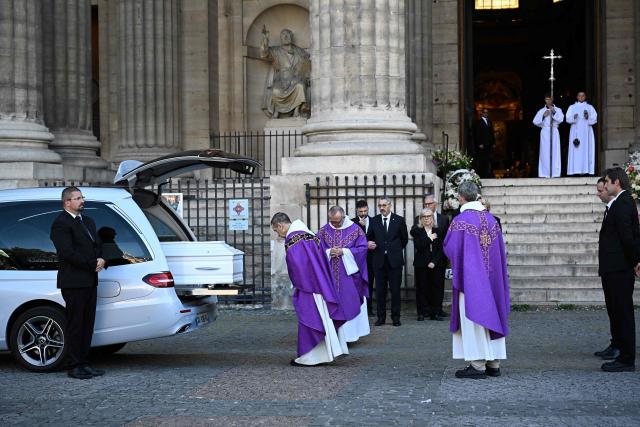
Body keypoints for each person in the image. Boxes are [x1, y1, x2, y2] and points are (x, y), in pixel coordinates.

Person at [443, 181, 510, 379]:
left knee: (473, 314)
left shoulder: (461, 221)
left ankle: (477, 364)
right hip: (492, 279)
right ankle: (493, 362)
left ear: (461, 198)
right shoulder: (491, 220)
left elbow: (449, 247)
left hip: (471, 279)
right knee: (492, 311)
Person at [271, 212, 347, 366]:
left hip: (308, 286)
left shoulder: (294, 240)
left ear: (280, 225)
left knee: (309, 320)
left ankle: (310, 357)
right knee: (321, 318)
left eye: (276, 230)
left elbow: (298, 266)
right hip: (318, 284)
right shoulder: (308, 235)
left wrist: (298, 284)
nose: (277, 233)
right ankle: (324, 354)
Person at [50, 187, 105, 379]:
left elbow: (96, 245)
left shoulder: (87, 221)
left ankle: (84, 363)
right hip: (73, 282)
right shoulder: (61, 223)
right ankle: (74, 366)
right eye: (78, 198)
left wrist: (101, 259)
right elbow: (67, 252)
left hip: (90, 280)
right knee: (76, 324)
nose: (82, 200)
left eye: (82, 197)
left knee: (87, 324)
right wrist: (92, 264)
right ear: (67, 202)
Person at [596, 167, 638, 372]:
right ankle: (620, 349)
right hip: (614, 268)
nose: (605, 185)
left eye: (607, 181)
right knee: (617, 310)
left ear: (616, 183)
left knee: (623, 312)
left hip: (620, 268)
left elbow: (628, 239)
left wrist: (635, 262)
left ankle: (627, 358)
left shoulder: (622, 204)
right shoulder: (619, 203)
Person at [318, 206, 370, 343]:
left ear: (344, 216)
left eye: (338, 221)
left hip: (349, 278)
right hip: (330, 277)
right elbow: (316, 250)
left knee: (349, 303)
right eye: (332, 221)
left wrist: (344, 252)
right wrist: (329, 252)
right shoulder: (323, 230)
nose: (335, 224)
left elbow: (363, 248)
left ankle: (349, 337)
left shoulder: (356, 230)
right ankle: (334, 336)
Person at [366, 197, 408, 327]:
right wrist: (368, 244)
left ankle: (396, 317)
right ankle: (381, 317)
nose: (382, 208)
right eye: (380, 205)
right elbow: (368, 237)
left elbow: (404, 239)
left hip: (394, 261)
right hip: (378, 261)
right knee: (380, 292)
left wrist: (392, 250)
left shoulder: (399, 220)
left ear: (390, 205)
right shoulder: (374, 221)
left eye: (384, 205)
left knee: (395, 291)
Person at [260, 27, 311, 119]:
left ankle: (297, 111)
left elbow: (308, 63)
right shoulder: (276, 51)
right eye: (283, 35)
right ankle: (276, 112)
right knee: (275, 91)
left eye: (287, 34)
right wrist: (265, 40)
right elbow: (264, 54)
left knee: (300, 87)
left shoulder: (300, 52)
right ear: (280, 38)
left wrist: (306, 77)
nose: (285, 37)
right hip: (281, 80)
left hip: (296, 80)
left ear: (291, 37)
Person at [417, 194, 450, 317]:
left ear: (435, 204)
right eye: (425, 204)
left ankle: (437, 310)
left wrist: (438, 259)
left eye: (430, 203)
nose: (427, 205)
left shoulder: (444, 219)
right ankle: (425, 310)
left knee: (438, 285)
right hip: (423, 258)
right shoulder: (419, 219)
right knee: (423, 286)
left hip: (439, 258)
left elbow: (445, 241)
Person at [410, 208, 445, 321]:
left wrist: (434, 262)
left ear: (432, 218)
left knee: (436, 288)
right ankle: (421, 313)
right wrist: (429, 238)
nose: (426, 219)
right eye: (424, 217)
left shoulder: (438, 231)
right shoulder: (417, 230)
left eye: (429, 216)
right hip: (421, 264)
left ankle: (434, 313)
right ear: (420, 219)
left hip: (436, 264)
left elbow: (441, 249)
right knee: (421, 289)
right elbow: (419, 246)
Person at [352, 200, 375, 315]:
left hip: (371, 259)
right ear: (357, 211)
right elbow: (350, 241)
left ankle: (369, 309)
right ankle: (357, 308)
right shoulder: (352, 223)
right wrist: (359, 227)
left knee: (369, 283)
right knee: (357, 283)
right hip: (357, 260)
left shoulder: (374, 221)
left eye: (365, 211)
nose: (363, 213)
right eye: (361, 211)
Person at [566, 91, 597, 176]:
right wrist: (573, 117)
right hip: (575, 133)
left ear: (585, 97)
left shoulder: (590, 107)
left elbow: (594, 119)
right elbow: (567, 119)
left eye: (583, 96)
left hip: (586, 133)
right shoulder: (572, 107)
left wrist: (587, 117)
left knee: (586, 150)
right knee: (576, 151)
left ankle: (586, 170)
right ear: (577, 97)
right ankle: (575, 171)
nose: (581, 97)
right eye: (579, 96)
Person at [533, 94, 564, 178]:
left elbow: (561, 119)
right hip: (545, 132)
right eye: (547, 99)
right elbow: (535, 121)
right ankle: (544, 173)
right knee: (545, 153)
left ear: (552, 99)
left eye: (550, 99)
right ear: (544, 100)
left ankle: (555, 173)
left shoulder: (558, 109)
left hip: (554, 131)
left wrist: (554, 112)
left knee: (555, 152)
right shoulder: (541, 111)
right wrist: (543, 116)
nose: (548, 101)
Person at [472, 108, 496, 178]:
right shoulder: (479, 122)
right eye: (484, 112)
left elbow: (492, 133)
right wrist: (479, 143)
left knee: (489, 159)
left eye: (487, 112)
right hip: (482, 145)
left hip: (489, 144)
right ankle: (482, 174)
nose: (486, 114)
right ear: (482, 113)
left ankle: (489, 174)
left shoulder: (489, 122)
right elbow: (477, 133)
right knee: (482, 160)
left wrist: (494, 142)